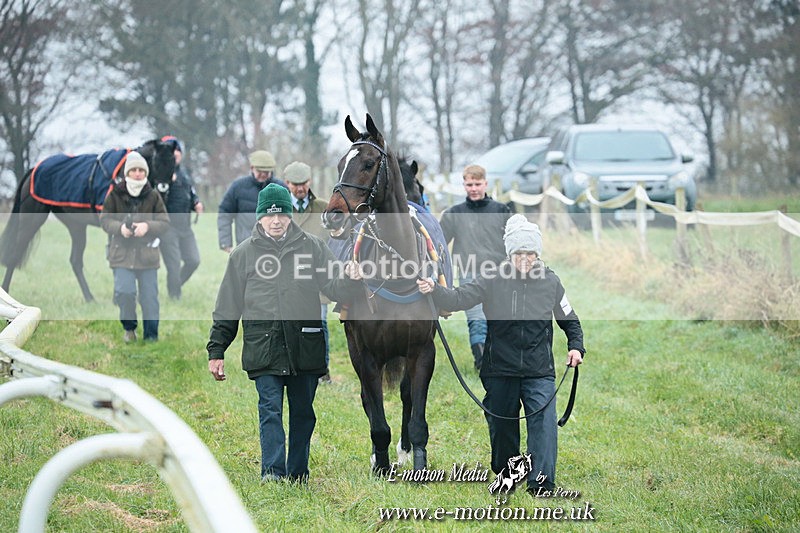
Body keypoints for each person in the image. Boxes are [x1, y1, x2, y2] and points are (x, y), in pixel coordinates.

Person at [417, 214, 585, 494]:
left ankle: (541, 483)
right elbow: (459, 298)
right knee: (502, 426)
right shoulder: (492, 277)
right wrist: (435, 290)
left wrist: (576, 346)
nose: (525, 259)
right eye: (519, 253)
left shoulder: (550, 281)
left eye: (531, 253)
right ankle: (509, 472)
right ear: (510, 253)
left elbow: (569, 316)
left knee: (543, 425)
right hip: (499, 369)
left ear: (537, 254)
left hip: (538, 369)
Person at [206, 183, 362, 483]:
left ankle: (298, 472)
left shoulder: (314, 247)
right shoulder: (243, 255)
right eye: (269, 215)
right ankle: (273, 473)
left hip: (306, 345)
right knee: (270, 411)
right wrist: (217, 350)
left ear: (290, 216)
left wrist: (352, 280)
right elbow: (228, 306)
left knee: (303, 413)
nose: (276, 221)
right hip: (263, 346)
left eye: (282, 215)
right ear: (259, 217)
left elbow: (333, 287)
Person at [439, 164, 512, 370]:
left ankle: (499, 357)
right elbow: (440, 245)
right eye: (469, 184)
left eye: (477, 184)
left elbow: (514, 243)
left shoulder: (501, 210)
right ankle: (482, 362)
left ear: (485, 184)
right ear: (464, 185)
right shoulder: (454, 214)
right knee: (476, 319)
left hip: (499, 273)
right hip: (469, 273)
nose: (473, 188)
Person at [100, 151, 170, 342]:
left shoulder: (153, 195)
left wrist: (147, 227)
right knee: (125, 292)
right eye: (134, 170)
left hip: (147, 256)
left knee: (149, 299)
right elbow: (105, 220)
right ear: (127, 173)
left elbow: (165, 222)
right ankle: (129, 329)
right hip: (121, 255)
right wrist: (120, 228)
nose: (138, 173)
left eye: (141, 170)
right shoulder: (115, 194)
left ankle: (151, 337)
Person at [283, 161, 333, 383]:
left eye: (303, 184)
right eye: (295, 185)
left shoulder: (323, 208)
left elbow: (339, 235)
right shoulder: (280, 209)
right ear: (287, 184)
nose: (300, 189)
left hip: (317, 278)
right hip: (286, 278)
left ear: (310, 182)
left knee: (318, 323)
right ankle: (291, 368)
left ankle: (321, 370)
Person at [159, 136, 204, 300]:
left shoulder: (184, 173)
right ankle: (174, 297)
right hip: (167, 226)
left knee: (193, 260)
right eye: (172, 150)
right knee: (173, 264)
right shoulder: (160, 172)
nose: (175, 153)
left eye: (178, 150)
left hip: (185, 226)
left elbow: (190, 194)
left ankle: (174, 286)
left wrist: (196, 203)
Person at [217, 150, 286, 252]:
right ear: (252, 168)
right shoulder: (238, 187)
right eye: (259, 171)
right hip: (246, 248)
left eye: (266, 172)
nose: (263, 175)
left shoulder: (281, 189)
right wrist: (226, 243)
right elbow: (225, 213)